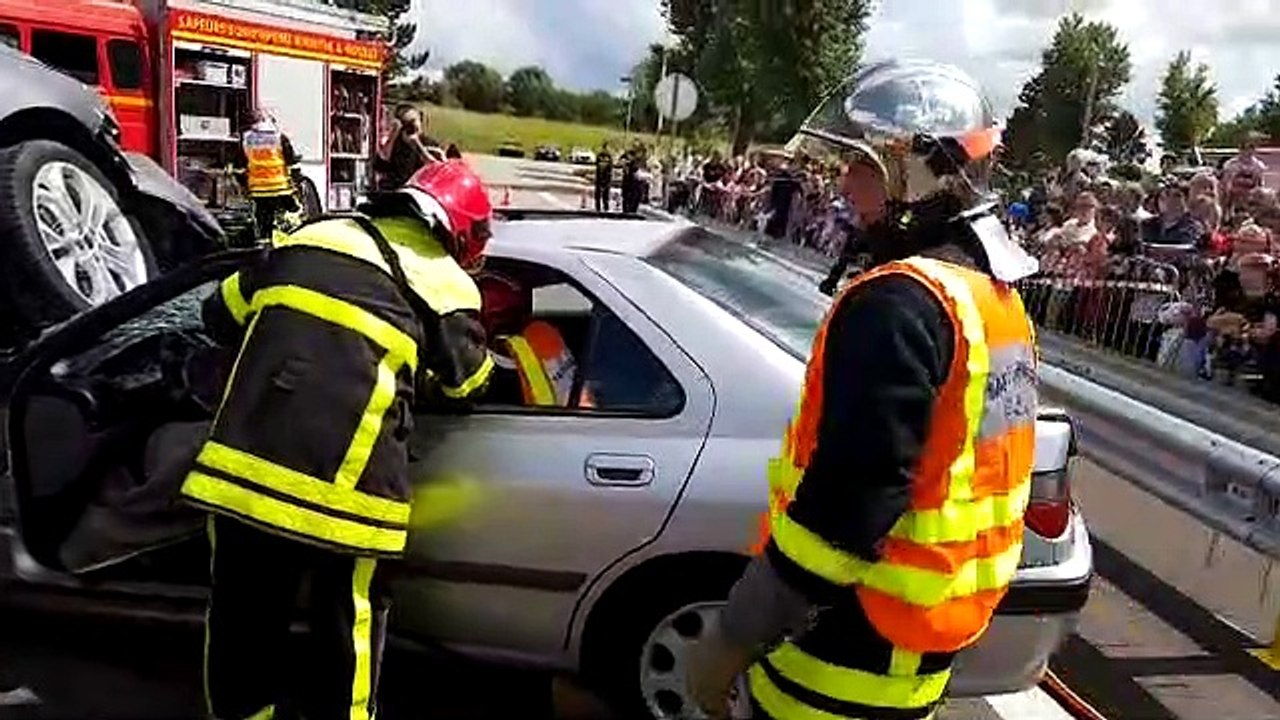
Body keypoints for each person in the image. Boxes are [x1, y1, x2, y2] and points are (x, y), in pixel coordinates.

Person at [687, 59, 1040, 720]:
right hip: (912, 645)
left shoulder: (901, 302)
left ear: (918, 174)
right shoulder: (991, 297)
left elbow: (848, 504)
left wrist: (735, 635)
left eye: (863, 168)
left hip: (843, 653)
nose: (844, 185)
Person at [184, 160, 496, 720]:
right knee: (345, 632)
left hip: (241, 474)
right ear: (464, 234)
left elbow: (217, 316)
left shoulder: (311, 236)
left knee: (242, 622)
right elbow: (470, 382)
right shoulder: (445, 281)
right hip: (344, 495)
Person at [234, 109, 302, 242]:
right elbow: (292, 163)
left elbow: (240, 168)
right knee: (293, 217)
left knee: (264, 224)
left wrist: (244, 187)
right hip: (281, 189)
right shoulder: (280, 137)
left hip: (259, 192)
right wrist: (297, 182)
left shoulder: (245, 139)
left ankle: (266, 249)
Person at [374, 104, 442, 190]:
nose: (410, 126)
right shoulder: (394, 142)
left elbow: (434, 167)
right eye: (405, 122)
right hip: (394, 189)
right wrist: (393, 136)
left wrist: (417, 143)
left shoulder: (429, 144)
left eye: (413, 121)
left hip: (417, 190)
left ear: (420, 120)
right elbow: (379, 165)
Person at [594, 141, 615, 212]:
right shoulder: (600, 156)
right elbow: (597, 165)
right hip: (600, 177)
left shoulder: (609, 157)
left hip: (607, 178)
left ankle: (606, 207)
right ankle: (598, 208)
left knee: (605, 195)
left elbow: (610, 168)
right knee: (598, 194)